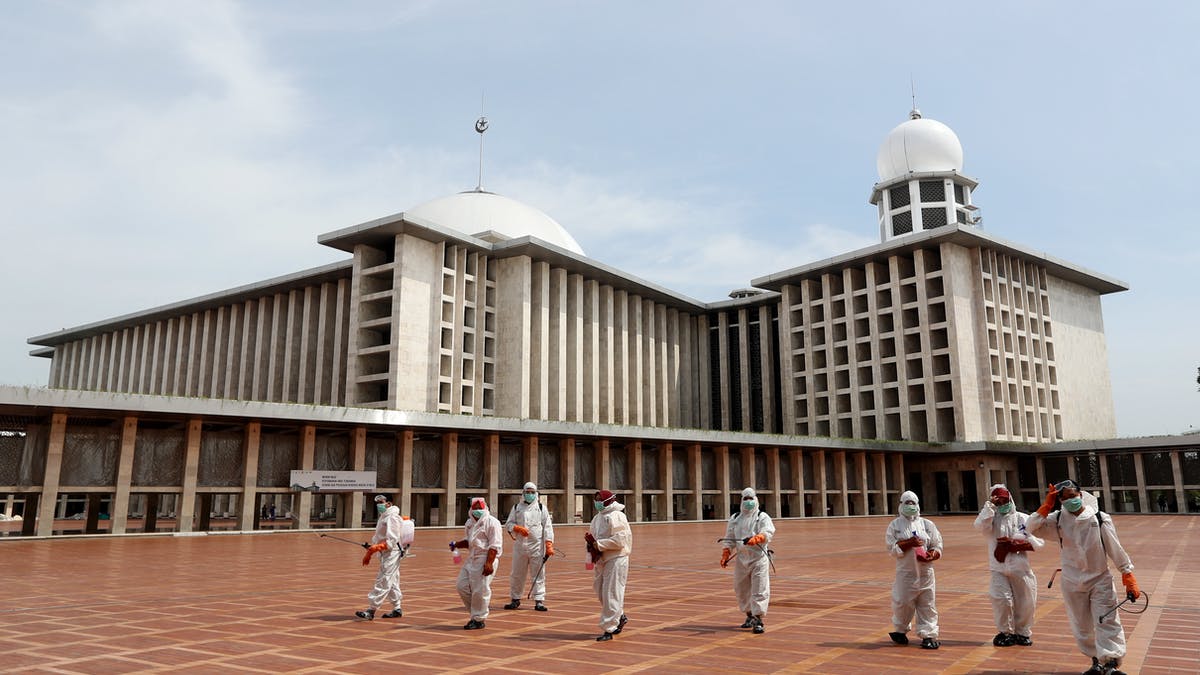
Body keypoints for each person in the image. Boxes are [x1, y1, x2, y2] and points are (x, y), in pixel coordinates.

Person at [1027, 480, 1140, 675]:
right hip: (1072, 581)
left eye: (1074, 495)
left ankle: (1111, 663)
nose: (1071, 500)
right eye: (1066, 497)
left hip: (1100, 579)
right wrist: (1046, 506)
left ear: (1081, 494)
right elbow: (1031, 528)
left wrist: (1127, 574)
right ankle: (1096, 661)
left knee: (1107, 620)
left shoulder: (1098, 517)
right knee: (1082, 625)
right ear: (1060, 500)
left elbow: (1115, 547)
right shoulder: (1057, 520)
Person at [973, 484, 1043, 647]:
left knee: (1025, 601)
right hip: (998, 568)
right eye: (998, 501)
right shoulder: (991, 519)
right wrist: (989, 506)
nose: (1002, 504)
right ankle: (1006, 632)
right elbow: (979, 526)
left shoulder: (1021, 518)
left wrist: (1015, 544)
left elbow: (1037, 543)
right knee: (1001, 599)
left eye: (1005, 500)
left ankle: (1023, 632)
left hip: (1020, 568)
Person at [885, 490, 943, 650]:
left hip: (926, 573)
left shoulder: (927, 525)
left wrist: (932, 555)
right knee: (902, 602)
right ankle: (900, 630)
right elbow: (891, 548)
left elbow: (937, 545)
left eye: (913, 503)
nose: (910, 506)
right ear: (901, 505)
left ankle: (929, 635)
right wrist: (908, 543)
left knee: (927, 604)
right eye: (907, 503)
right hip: (906, 573)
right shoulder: (895, 526)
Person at [720, 487, 775, 634]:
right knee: (742, 589)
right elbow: (729, 537)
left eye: (751, 498)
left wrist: (757, 538)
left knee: (759, 588)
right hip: (742, 559)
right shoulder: (735, 518)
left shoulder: (762, 516)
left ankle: (758, 619)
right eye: (746, 499)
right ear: (741, 501)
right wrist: (726, 553)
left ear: (756, 500)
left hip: (758, 559)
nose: (748, 501)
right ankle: (749, 615)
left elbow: (768, 532)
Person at [356, 494, 414, 620]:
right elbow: (380, 538)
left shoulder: (392, 517)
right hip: (386, 552)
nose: (379, 505)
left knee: (384, 579)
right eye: (377, 502)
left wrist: (376, 548)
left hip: (392, 552)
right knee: (392, 580)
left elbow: (392, 540)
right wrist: (371, 549)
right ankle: (397, 608)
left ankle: (371, 610)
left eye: (381, 502)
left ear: (389, 503)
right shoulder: (384, 516)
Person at [451, 496, 503, 629]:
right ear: (471, 509)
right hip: (472, 558)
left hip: (485, 558)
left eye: (480, 508)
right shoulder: (469, 523)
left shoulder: (492, 522)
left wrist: (489, 563)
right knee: (461, 586)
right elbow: (469, 541)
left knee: (480, 590)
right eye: (475, 508)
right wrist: (456, 544)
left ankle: (478, 619)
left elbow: (494, 545)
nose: (478, 510)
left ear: (485, 507)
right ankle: (475, 613)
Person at [587, 489, 632, 641]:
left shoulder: (617, 516)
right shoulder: (597, 518)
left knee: (611, 593)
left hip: (616, 558)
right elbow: (591, 540)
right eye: (596, 499)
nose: (598, 502)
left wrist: (599, 544)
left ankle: (609, 628)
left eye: (600, 499)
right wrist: (591, 556)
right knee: (600, 590)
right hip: (601, 559)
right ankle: (619, 616)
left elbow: (620, 541)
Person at [503, 481, 555, 611]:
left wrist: (549, 543)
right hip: (520, 546)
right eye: (527, 492)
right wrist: (516, 528)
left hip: (537, 546)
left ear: (536, 493)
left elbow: (547, 526)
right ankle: (515, 598)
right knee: (517, 573)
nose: (530, 494)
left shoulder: (541, 508)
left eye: (532, 492)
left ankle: (539, 600)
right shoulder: (516, 508)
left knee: (538, 573)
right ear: (523, 493)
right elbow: (508, 524)